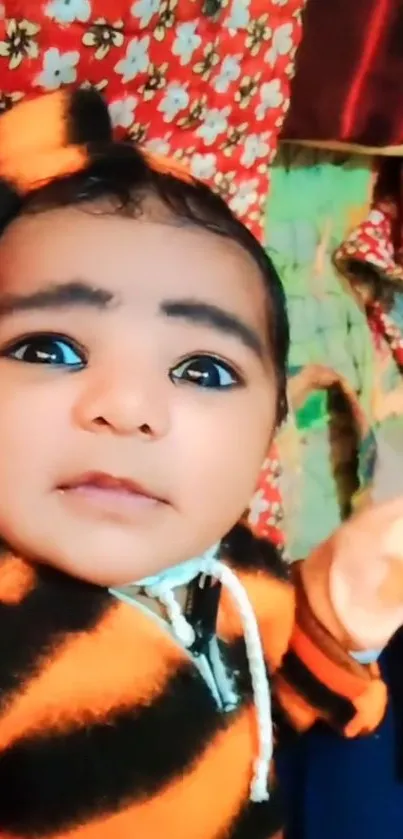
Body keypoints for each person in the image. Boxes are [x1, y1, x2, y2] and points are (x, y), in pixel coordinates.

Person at [0, 88, 403, 839]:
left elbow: (250, 699)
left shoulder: (240, 575)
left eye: (203, 370)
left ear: (270, 432)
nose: (125, 406)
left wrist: (332, 633)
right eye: (46, 348)